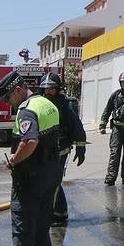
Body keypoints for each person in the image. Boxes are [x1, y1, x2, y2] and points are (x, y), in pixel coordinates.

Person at [0, 72, 63, 246]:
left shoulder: (27, 109)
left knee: (22, 235)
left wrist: (14, 160)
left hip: (29, 181)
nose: (8, 103)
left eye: (8, 97)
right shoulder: (47, 104)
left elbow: (30, 141)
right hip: (50, 176)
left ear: (18, 90)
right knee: (42, 232)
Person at [39, 74, 86, 227]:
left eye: (51, 88)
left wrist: (80, 147)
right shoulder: (38, 103)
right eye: (45, 88)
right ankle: (61, 213)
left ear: (57, 89)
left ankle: (49, 215)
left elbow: (77, 126)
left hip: (61, 149)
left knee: (52, 182)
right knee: (52, 182)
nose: (48, 91)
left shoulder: (65, 105)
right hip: (44, 149)